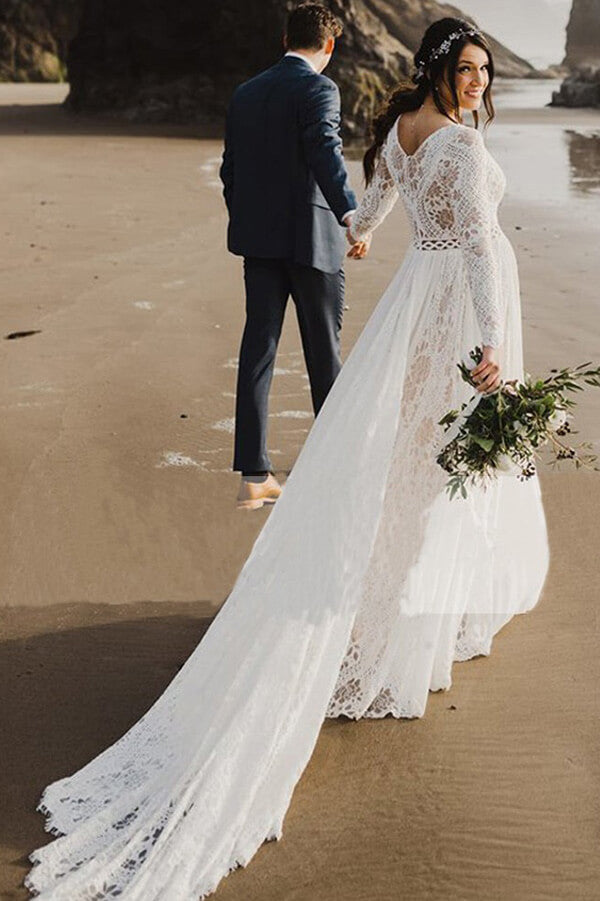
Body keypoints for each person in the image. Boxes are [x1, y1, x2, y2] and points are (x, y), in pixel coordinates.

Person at [24, 17, 549, 901]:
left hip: (412, 302)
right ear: (439, 69)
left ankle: (383, 616)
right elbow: (475, 255)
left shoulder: (403, 130)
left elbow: (379, 198)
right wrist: (492, 344)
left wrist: (362, 234)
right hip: (456, 308)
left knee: (409, 466)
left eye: (485, 72)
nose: (479, 83)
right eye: (467, 69)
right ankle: (380, 640)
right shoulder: (457, 145)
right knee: (427, 474)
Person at [219, 3, 364, 511]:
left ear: (285, 39)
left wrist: (250, 219)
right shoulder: (320, 89)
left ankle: (254, 476)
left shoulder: (246, 92)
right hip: (311, 242)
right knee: (323, 351)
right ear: (329, 45)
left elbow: (230, 171)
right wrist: (351, 214)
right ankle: (336, 465)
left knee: (258, 350)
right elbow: (325, 149)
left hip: (258, 241)